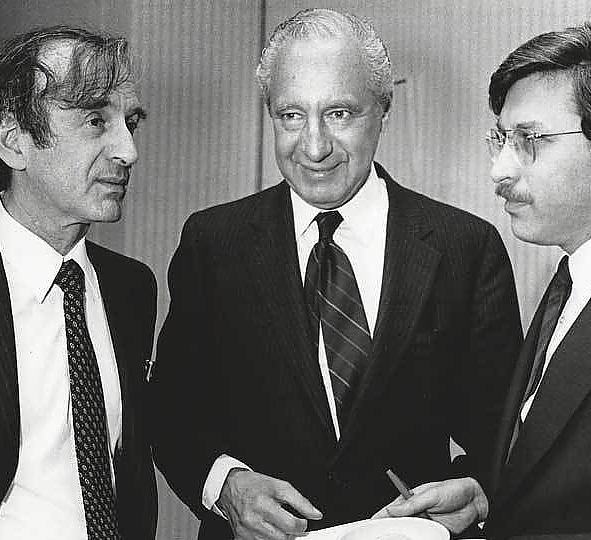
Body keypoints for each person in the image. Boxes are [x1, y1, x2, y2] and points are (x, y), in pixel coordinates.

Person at [150, 8, 522, 540]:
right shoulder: (215, 244)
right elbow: (171, 412)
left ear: (383, 110)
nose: (315, 146)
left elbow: (505, 433)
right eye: (291, 116)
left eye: (340, 113)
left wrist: (479, 489)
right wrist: (225, 485)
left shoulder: (466, 247)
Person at [376, 18, 591, 539]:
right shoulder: (575, 271)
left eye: (530, 141)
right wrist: (485, 498)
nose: (499, 170)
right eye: (501, 139)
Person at [0, 26, 157, 540]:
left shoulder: (132, 289)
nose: (128, 151)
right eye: (96, 120)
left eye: (131, 123)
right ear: (14, 140)